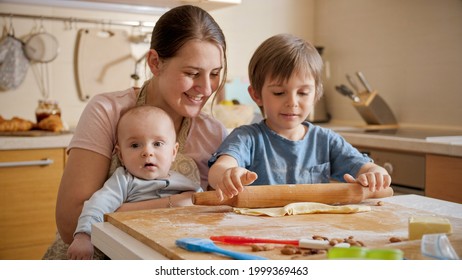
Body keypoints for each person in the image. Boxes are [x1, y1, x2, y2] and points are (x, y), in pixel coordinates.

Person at [43, 5, 228, 259]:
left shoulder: (214, 132)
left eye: (215, 74)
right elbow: (69, 224)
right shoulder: (106, 111)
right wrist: (173, 204)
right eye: (192, 73)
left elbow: (212, 216)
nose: (206, 88)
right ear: (155, 62)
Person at [208, 33, 391, 201]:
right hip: (259, 230)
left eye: (303, 93)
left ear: (316, 94)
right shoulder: (247, 138)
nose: (292, 102)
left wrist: (374, 173)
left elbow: (366, 168)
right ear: (256, 95)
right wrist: (228, 174)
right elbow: (219, 169)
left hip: (312, 233)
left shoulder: (326, 141)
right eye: (279, 93)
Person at [67, 105, 202, 260]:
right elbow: (98, 204)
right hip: (130, 251)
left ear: (173, 152)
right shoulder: (123, 180)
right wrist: (83, 237)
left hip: (173, 247)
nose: (147, 152)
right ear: (121, 155)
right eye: (135, 145)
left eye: (157, 144)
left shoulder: (185, 183)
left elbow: (203, 203)